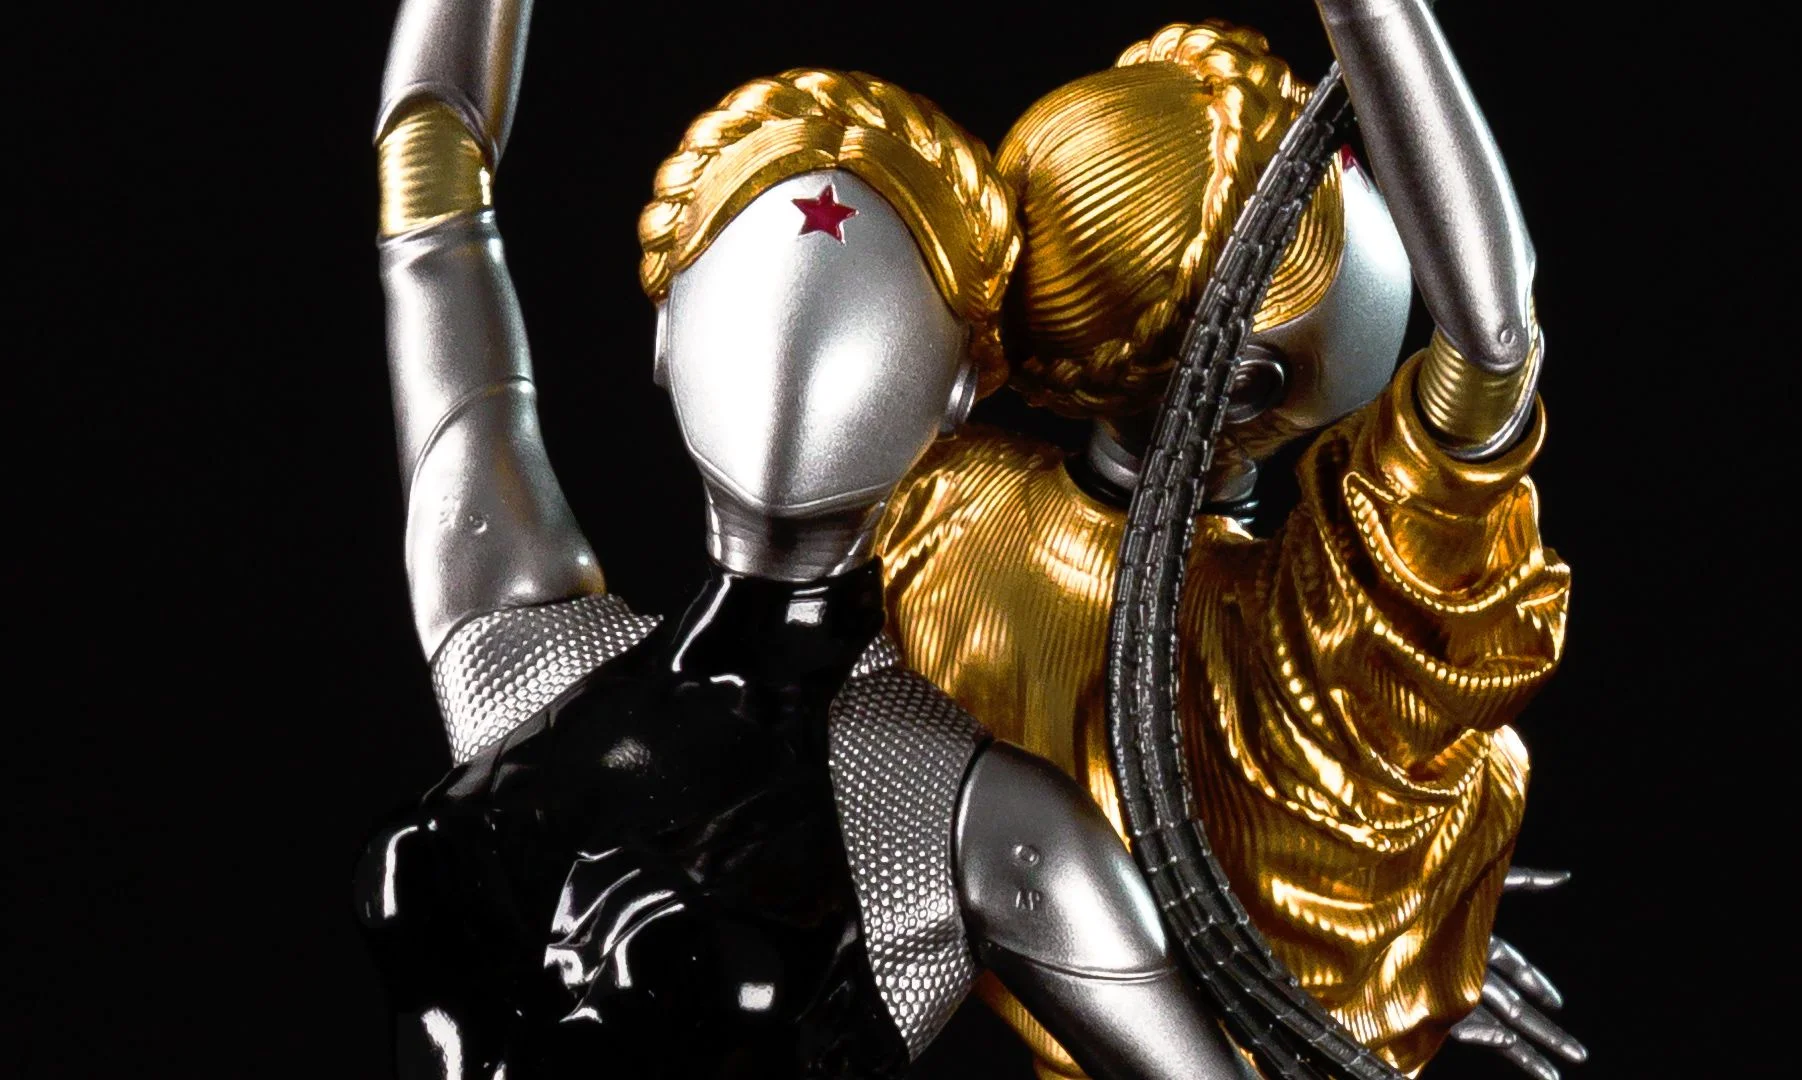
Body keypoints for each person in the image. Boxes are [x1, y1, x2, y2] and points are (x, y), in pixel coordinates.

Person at [353, 3, 1267, 1076]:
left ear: (959, 392)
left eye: (883, 302)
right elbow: (429, 173)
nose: (797, 350)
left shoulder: (958, 816)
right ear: (665, 327)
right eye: (748, 272)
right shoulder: (523, 659)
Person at [875, 10, 1583, 1077]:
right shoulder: (1310, 639)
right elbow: (1492, 346)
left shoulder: (935, 510)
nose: (1374, 179)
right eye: (1335, 185)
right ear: (1245, 382)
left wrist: (1419, 913)